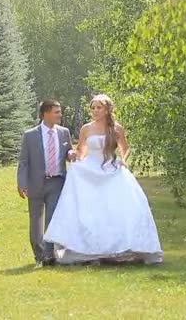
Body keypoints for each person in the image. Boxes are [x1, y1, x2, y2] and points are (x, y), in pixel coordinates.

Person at [44, 94, 163, 265]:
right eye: (92, 108)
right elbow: (81, 152)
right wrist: (73, 156)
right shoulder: (86, 128)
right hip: (91, 171)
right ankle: (90, 248)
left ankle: (120, 247)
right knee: (91, 210)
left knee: (117, 208)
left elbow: (126, 148)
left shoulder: (116, 128)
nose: (94, 111)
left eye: (98, 108)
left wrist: (123, 160)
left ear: (107, 110)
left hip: (111, 170)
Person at [17, 99, 75, 268]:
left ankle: (49, 256)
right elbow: (24, 162)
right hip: (35, 183)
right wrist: (22, 183)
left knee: (52, 220)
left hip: (57, 182)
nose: (60, 114)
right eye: (56, 112)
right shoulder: (30, 135)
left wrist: (71, 153)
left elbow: (68, 152)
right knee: (36, 221)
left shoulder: (64, 132)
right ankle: (39, 255)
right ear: (45, 114)